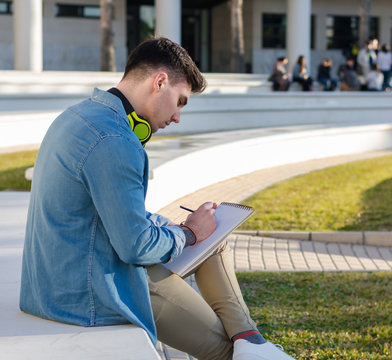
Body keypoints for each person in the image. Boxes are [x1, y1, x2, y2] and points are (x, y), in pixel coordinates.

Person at [19, 37, 295, 360]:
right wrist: (188, 233)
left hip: (57, 283)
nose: (178, 117)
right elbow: (135, 247)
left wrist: (183, 230)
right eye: (180, 101)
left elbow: (111, 215)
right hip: (89, 292)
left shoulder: (84, 114)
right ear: (159, 82)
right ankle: (248, 344)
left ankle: (251, 340)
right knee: (224, 348)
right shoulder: (115, 140)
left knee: (213, 239)